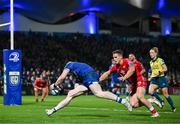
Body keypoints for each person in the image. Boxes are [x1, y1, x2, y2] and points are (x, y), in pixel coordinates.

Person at [45, 62, 132, 116]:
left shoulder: (69, 65)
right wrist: (62, 90)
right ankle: (52, 110)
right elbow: (76, 88)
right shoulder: (77, 70)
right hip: (87, 77)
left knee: (98, 93)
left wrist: (55, 85)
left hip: (89, 75)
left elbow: (62, 77)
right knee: (70, 94)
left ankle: (123, 101)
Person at [100, 50, 159, 117]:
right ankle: (150, 100)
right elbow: (107, 73)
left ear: (121, 57)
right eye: (113, 57)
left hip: (140, 80)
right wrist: (99, 80)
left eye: (116, 57)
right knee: (133, 104)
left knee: (140, 96)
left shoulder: (128, 61)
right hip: (133, 85)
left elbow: (132, 70)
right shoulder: (116, 66)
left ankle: (155, 113)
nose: (114, 59)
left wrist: (124, 77)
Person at [148, 47, 176, 112]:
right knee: (150, 91)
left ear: (156, 53)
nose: (150, 54)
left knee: (165, 94)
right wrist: (151, 76)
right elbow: (153, 71)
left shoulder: (160, 60)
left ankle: (173, 107)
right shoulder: (151, 62)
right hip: (154, 79)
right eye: (150, 53)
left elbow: (165, 69)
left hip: (161, 78)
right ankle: (160, 100)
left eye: (152, 52)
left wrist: (159, 72)